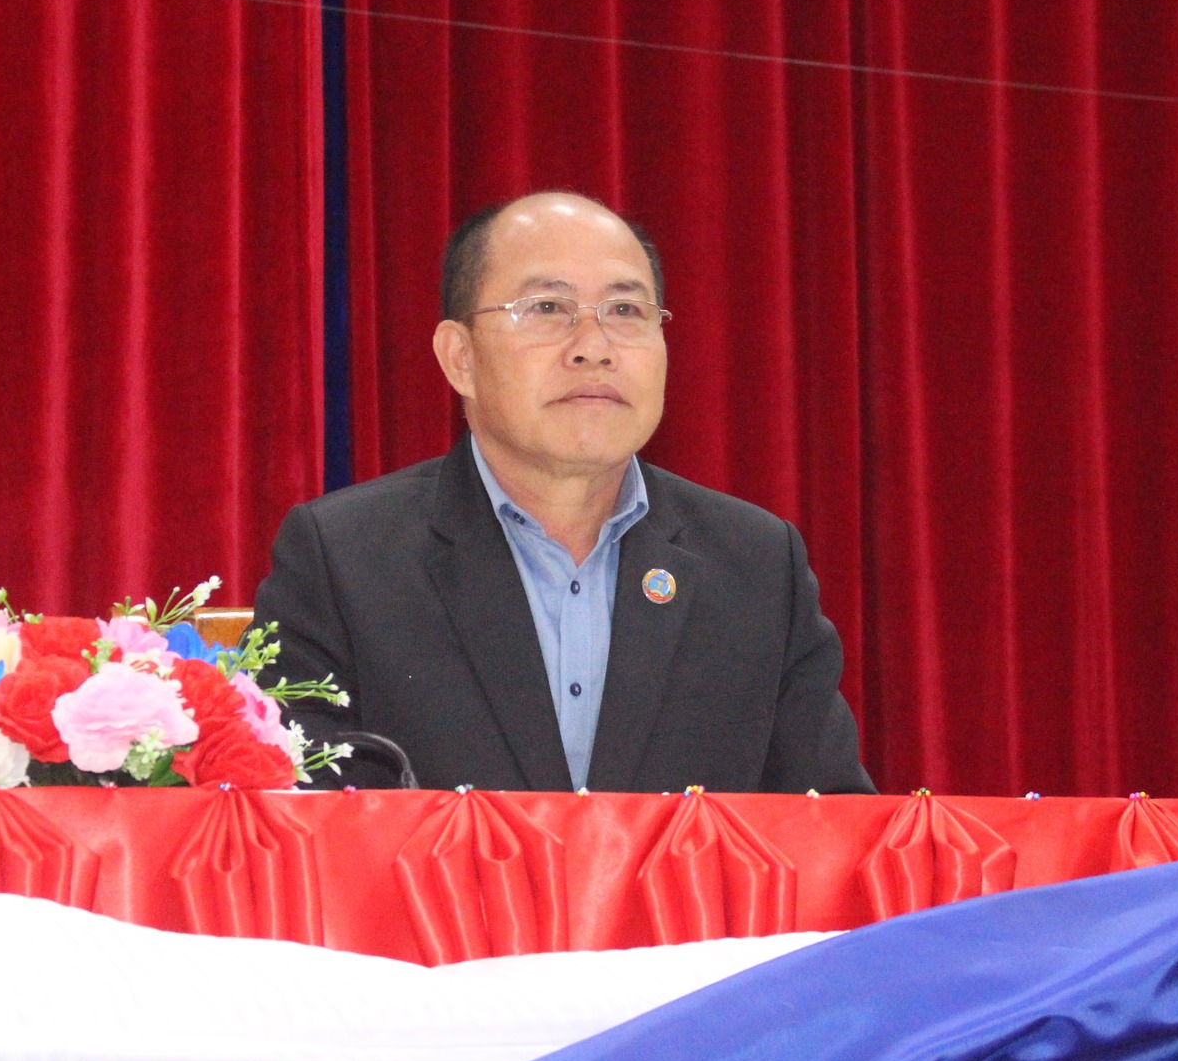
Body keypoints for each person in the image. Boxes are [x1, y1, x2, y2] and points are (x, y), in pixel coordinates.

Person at [253, 192, 874, 794]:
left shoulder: (757, 564)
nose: (594, 349)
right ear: (460, 357)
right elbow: (300, 826)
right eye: (548, 308)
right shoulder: (344, 559)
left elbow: (831, 826)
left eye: (625, 311)